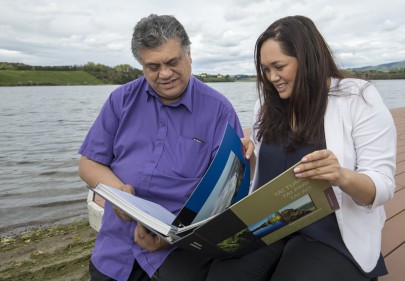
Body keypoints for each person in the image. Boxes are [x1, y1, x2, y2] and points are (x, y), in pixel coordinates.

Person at [207, 15, 396, 281]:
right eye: (265, 69)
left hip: (331, 234)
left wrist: (341, 175)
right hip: (271, 224)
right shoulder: (267, 105)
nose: (272, 77)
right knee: (222, 275)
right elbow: (262, 176)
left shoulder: (357, 98)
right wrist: (247, 156)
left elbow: (384, 186)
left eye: (279, 66)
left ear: (307, 59)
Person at [78, 14, 248, 281]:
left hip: (181, 252)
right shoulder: (120, 100)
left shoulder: (219, 109)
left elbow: (229, 190)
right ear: (141, 65)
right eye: (153, 66)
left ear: (189, 55)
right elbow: (88, 163)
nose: (165, 74)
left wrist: (176, 235)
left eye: (172, 62)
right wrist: (119, 192)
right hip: (114, 248)